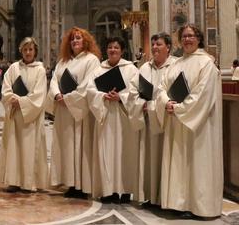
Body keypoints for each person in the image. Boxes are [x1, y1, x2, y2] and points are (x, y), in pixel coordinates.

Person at [156, 24, 223, 219]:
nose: (187, 39)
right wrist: (166, 102)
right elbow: (161, 87)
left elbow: (203, 95)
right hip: (176, 122)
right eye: (184, 36)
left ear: (199, 39)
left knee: (198, 163)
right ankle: (179, 203)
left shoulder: (206, 64)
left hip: (199, 126)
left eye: (191, 36)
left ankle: (201, 206)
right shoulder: (175, 64)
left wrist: (177, 108)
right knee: (179, 162)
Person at [48, 27, 101, 199]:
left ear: (85, 41)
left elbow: (88, 85)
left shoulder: (91, 60)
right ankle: (69, 182)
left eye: (78, 38)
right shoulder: (63, 62)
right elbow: (54, 80)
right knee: (66, 146)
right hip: (64, 111)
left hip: (79, 112)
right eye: (72, 39)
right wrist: (57, 95)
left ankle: (81, 185)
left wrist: (69, 98)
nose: (75, 41)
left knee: (79, 146)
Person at [125, 32, 176, 207]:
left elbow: (175, 94)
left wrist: (154, 106)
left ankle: (165, 198)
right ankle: (150, 196)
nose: (154, 47)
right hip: (148, 122)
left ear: (168, 47)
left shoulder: (175, 66)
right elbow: (133, 91)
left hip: (168, 123)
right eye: (153, 44)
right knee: (148, 159)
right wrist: (142, 104)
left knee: (166, 159)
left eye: (159, 44)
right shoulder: (145, 68)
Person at [86, 36, 139, 203]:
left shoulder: (131, 70)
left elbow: (136, 92)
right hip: (106, 117)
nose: (113, 50)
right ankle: (108, 191)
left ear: (122, 50)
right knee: (106, 152)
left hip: (124, 119)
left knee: (124, 153)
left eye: (116, 47)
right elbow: (90, 91)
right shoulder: (98, 70)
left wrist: (121, 97)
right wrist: (103, 95)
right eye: (110, 47)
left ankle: (124, 191)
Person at [0, 37, 48, 192]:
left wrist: (20, 101)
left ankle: (28, 182)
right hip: (15, 115)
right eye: (25, 49)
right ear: (21, 51)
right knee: (14, 146)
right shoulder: (14, 68)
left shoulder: (40, 69)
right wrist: (11, 98)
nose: (28, 52)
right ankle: (14, 181)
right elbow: (5, 89)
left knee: (29, 148)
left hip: (30, 118)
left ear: (35, 51)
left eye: (30, 49)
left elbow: (39, 94)